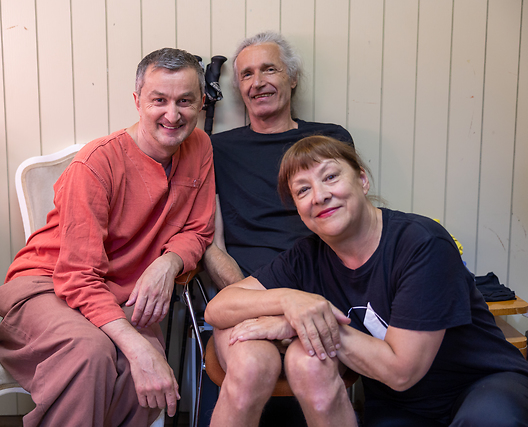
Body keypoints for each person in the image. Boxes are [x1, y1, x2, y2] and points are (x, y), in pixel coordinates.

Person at [204, 135, 528, 427]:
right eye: (303, 190)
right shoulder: (306, 256)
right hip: (400, 403)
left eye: (330, 177)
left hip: (480, 382)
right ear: (299, 210)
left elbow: (401, 371)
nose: (319, 196)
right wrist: (290, 301)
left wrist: (297, 324)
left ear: (362, 180)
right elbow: (218, 308)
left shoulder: (422, 243)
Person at [0, 48, 215, 427]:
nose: (172, 115)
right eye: (159, 100)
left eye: (185, 101)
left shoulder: (200, 146)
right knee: (91, 353)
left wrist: (169, 263)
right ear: (137, 102)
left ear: (201, 103)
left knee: (136, 376)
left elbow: (199, 229)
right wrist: (139, 349)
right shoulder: (94, 164)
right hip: (49, 285)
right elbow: (77, 276)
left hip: (120, 294)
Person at [203, 31, 353, 289]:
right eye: (247, 74)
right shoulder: (216, 150)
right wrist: (252, 298)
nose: (258, 82)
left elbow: (353, 222)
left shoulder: (329, 139)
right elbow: (212, 245)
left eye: (269, 69)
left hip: (326, 285)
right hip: (250, 289)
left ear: (293, 78)